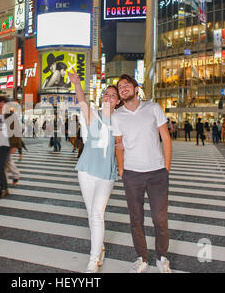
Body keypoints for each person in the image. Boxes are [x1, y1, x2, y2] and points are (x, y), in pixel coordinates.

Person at [112, 74, 173, 273]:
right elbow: (119, 145)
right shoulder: (117, 115)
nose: (123, 88)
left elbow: (166, 137)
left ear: (136, 88)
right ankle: (142, 258)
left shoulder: (153, 108)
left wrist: (167, 168)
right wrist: (122, 170)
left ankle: (162, 257)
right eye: (120, 86)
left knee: (159, 218)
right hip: (132, 174)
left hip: (157, 173)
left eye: (127, 85)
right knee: (136, 219)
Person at [67, 70, 121, 273]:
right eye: (106, 94)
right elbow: (81, 100)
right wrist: (77, 83)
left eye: (113, 95)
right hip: (86, 170)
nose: (108, 97)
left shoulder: (120, 120)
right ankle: (99, 248)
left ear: (117, 102)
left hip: (106, 173)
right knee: (92, 214)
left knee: (97, 214)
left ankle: (93, 260)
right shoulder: (94, 116)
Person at [0, 96, 22, 200]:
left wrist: (15, 146)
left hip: (6, 145)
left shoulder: (11, 116)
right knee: (0, 168)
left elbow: (16, 132)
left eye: (3, 103)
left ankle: (3, 189)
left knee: (0, 168)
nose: (1, 105)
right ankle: (4, 188)